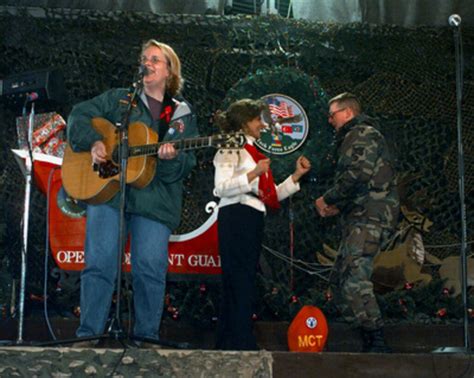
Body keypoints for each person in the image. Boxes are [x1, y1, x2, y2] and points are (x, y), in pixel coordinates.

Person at [67, 39, 197, 345]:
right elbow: (79, 115)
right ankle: (88, 336)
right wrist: (93, 142)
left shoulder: (181, 114)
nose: (147, 63)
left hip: (155, 200)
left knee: (149, 269)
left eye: (155, 59)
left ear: (170, 71)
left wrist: (167, 159)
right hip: (109, 193)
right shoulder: (120, 100)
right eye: (144, 58)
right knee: (99, 263)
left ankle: (145, 339)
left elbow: (186, 163)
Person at [213, 99, 311, 350]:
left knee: (245, 277)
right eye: (258, 120)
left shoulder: (254, 154)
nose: (262, 125)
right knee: (238, 277)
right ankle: (238, 340)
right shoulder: (230, 148)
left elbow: (270, 195)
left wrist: (295, 177)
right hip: (236, 215)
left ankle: (234, 338)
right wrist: (253, 174)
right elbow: (220, 188)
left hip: (253, 216)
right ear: (245, 121)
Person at [315, 92, 399, 353]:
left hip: (369, 218)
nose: (330, 120)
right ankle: (367, 336)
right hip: (361, 216)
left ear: (348, 112)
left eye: (333, 114)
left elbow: (356, 175)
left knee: (353, 276)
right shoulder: (357, 136)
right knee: (341, 277)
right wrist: (338, 205)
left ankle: (376, 340)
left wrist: (327, 199)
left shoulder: (361, 134)